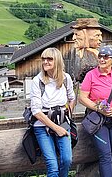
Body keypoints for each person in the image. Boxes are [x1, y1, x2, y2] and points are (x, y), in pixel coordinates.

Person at [79, 45, 112, 177]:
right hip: (98, 120)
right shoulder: (91, 75)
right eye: (100, 57)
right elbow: (82, 97)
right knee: (105, 155)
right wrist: (98, 108)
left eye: (105, 57)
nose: (102, 60)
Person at [30, 48, 76, 177]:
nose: (45, 61)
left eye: (49, 59)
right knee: (52, 165)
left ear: (57, 61)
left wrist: (68, 115)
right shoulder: (37, 81)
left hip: (62, 122)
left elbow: (72, 98)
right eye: (43, 59)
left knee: (67, 160)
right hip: (42, 125)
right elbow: (36, 111)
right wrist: (56, 128)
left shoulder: (66, 78)